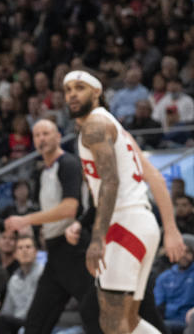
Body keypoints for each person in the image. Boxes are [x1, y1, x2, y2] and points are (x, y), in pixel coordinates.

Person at [64, 69, 185, 334]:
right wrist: (170, 228)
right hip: (143, 224)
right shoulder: (115, 126)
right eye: (68, 89)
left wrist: (96, 239)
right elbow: (154, 176)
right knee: (128, 322)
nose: (72, 93)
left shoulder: (95, 127)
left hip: (124, 224)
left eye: (79, 87)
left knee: (112, 322)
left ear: (97, 93)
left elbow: (111, 182)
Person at [3, 118, 89, 334]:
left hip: (76, 249)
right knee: (35, 323)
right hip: (55, 252)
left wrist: (26, 220)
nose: (42, 138)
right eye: (37, 135)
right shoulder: (41, 173)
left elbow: (70, 207)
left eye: (46, 133)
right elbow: (49, 213)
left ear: (58, 136)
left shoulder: (68, 164)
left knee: (95, 317)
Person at [154, 234, 194, 334]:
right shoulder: (164, 277)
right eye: (181, 251)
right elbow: (157, 305)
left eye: (188, 252)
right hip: (167, 321)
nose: (184, 255)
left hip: (189, 322)